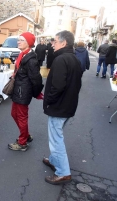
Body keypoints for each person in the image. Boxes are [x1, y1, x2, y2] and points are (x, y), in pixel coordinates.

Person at [43, 30, 82, 185]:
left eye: (55, 41)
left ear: (64, 43)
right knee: (57, 136)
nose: (53, 45)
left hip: (59, 106)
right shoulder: (74, 59)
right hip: (68, 105)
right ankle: (54, 160)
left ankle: (63, 172)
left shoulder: (61, 60)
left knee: (56, 139)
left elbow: (57, 86)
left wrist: (49, 100)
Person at [8, 32, 44, 152]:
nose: (18, 42)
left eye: (22, 40)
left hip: (23, 92)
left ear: (29, 43)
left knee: (22, 117)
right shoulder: (22, 55)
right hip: (18, 90)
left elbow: (37, 79)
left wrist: (37, 92)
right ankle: (26, 135)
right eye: (18, 40)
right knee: (14, 114)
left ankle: (22, 142)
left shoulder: (31, 60)